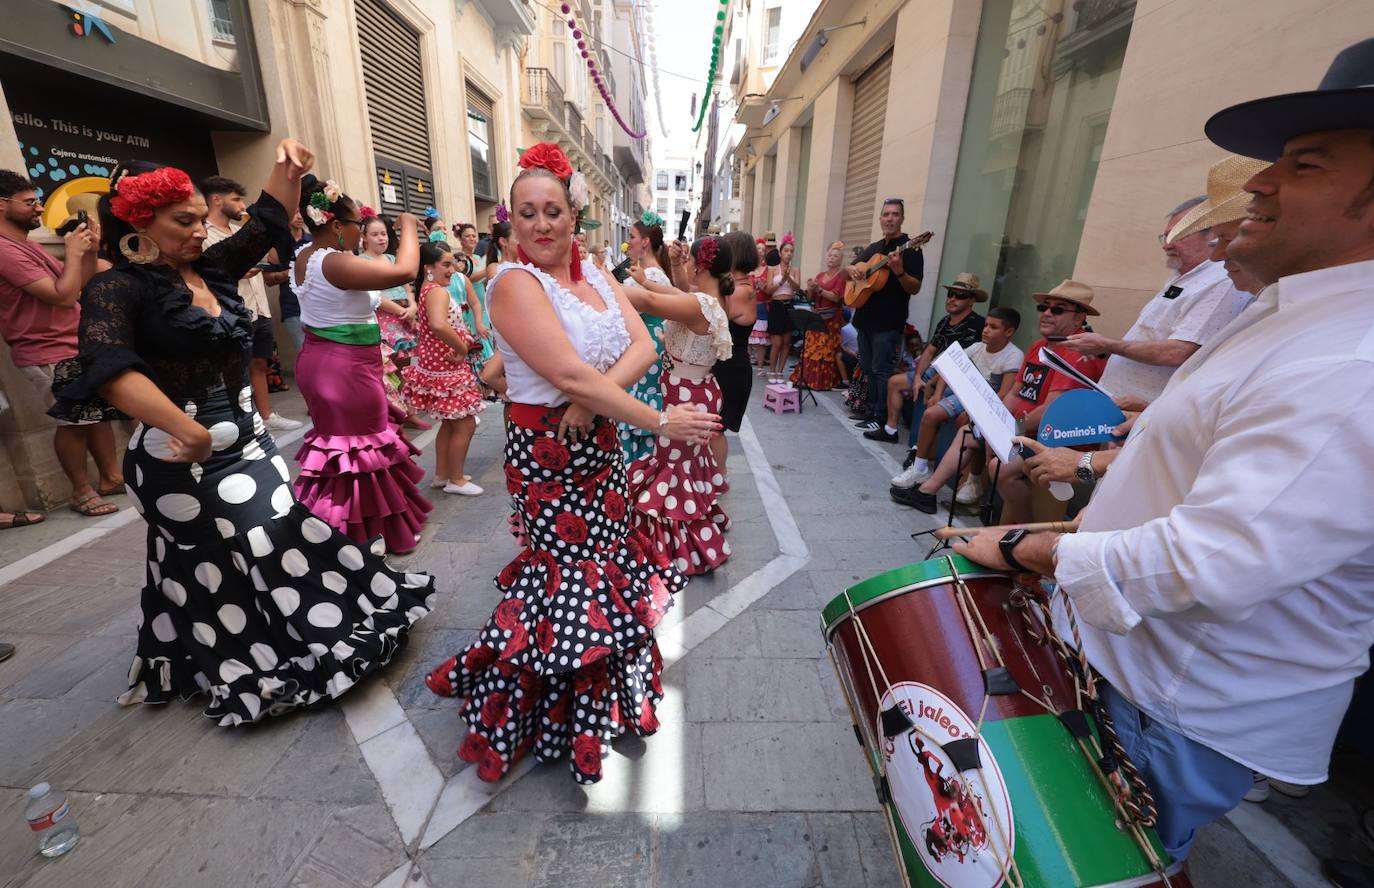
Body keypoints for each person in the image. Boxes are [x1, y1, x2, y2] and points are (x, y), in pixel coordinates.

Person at [955, 38, 1374, 862]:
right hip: (1141, 674)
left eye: (1306, 164)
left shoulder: (1353, 359)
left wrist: (1019, 546)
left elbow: (1212, 561)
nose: (1256, 183)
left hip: (1173, 701)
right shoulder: (1301, 313)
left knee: (1068, 866)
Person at [49, 141, 433, 725]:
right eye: (186, 221)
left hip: (249, 443)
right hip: (178, 458)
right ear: (138, 220)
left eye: (203, 218)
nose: (202, 231)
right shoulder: (117, 289)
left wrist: (287, 170)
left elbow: (267, 221)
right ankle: (257, 663)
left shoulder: (214, 267)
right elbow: (111, 370)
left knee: (277, 542)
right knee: (223, 564)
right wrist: (188, 430)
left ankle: (294, 639)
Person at [423, 142, 718, 784]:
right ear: (512, 222)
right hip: (547, 456)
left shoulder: (597, 275)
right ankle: (544, 710)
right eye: (526, 213)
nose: (541, 225)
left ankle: (598, 692)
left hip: (599, 447)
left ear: (573, 214)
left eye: (552, 210)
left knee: (605, 570)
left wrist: (593, 398)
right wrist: (659, 419)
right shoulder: (513, 284)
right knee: (565, 579)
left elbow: (644, 348)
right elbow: (561, 371)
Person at [289, 176, 431, 553]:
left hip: (327, 363)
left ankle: (352, 529)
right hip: (344, 369)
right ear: (336, 226)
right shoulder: (333, 262)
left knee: (345, 450)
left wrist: (398, 308)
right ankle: (362, 535)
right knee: (360, 450)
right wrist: (410, 228)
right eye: (357, 225)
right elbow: (403, 272)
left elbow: (365, 301)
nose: (361, 232)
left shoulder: (307, 256)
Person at [895, 281, 1103, 515]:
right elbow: (1015, 393)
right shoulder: (1039, 347)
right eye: (1044, 307)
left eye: (1057, 309)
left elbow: (1050, 411)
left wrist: (1009, 430)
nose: (1046, 313)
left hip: (1050, 438)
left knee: (999, 468)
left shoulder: (1078, 354)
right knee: (969, 430)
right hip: (1021, 430)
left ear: (1079, 317)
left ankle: (1023, 529)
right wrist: (993, 422)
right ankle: (928, 492)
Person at [0, 168, 123, 517]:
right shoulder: (5, 251)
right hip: (45, 350)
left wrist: (86, 253)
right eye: (29, 202)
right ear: (1, 205)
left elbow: (76, 284)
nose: (39, 208)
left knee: (95, 416)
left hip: (72, 342)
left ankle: (111, 478)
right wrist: (71, 251)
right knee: (74, 421)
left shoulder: (25, 246)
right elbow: (63, 296)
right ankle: (81, 491)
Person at [1060, 190, 1255, 409]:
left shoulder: (1221, 280)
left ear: (1212, 236)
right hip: (1120, 405)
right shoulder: (1183, 276)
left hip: (1144, 414)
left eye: (1177, 236)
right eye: (1166, 237)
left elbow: (1179, 352)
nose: (1166, 245)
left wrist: (1109, 345)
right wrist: (1105, 349)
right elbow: (1154, 335)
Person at [626, 236, 736, 576]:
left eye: (687, 259)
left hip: (687, 395)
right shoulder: (707, 300)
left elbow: (648, 301)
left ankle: (684, 546)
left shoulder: (700, 304)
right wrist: (645, 278)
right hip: (696, 389)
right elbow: (672, 293)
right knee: (686, 465)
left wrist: (595, 283)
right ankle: (696, 525)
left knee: (673, 467)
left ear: (699, 264)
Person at [202, 176, 303, 433]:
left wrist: (286, 228)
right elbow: (205, 275)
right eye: (236, 199)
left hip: (260, 307)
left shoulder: (240, 232)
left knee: (260, 363)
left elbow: (276, 258)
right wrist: (235, 269)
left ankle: (266, 415)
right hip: (231, 311)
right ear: (216, 200)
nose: (242, 204)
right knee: (235, 369)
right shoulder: (203, 234)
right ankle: (242, 419)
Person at [891, 306, 1022, 498]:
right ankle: (919, 468)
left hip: (988, 404)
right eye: (986, 325)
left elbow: (1003, 394)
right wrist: (938, 393)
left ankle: (973, 481)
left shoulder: (1013, 356)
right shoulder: (977, 347)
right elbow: (950, 366)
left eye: (993, 327)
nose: (985, 330)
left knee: (969, 424)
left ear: (1009, 332)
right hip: (967, 395)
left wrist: (979, 411)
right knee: (930, 414)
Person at [404, 241, 486, 495]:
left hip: (438, 367)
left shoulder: (429, 289)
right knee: (465, 423)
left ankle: (443, 474)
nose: (453, 269)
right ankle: (456, 480)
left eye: (454, 263)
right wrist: (461, 348)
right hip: (447, 368)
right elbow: (439, 325)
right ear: (429, 267)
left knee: (450, 424)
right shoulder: (437, 291)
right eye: (446, 264)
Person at [865, 272, 986, 444]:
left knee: (927, 395)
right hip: (936, 371)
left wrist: (929, 381)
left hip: (957, 379)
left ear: (972, 300)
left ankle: (918, 449)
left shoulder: (977, 324)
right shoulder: (945, 321)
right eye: (950, 294)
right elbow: (929, 351)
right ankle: (890, 431)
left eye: (960, 296)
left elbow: (962, 363)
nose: (952, 299)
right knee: (894, 382)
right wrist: (917, 377)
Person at [846, 200, 924, 425]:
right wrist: (851, 269)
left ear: (902, 218)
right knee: (868, 368)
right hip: (865, 320)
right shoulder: (875, 247)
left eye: (895, 214)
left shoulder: (911, 248)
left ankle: (881, 417)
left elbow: (915, 287)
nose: (890, 218)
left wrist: (899, 271)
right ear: (880, 218)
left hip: (888, 322)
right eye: (886, 214)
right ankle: (870, 411)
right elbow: (848, 271)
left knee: (882, 371)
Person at [620, 210, 675, 463]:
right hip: (648, 338)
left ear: (645, 242)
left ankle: (639, 465)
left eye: (631, 236)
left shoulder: (651, 275)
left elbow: (626, 308)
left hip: (647, 341)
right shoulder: (648, 272)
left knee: (640, 398)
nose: (628, 240)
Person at [710, 229, 761, 475]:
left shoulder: (740, 291)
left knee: (715, 429)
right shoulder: (737, 286)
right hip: (727, 365)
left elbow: (711, 318)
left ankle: (719, 477)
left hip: (730, 369)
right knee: (713, 428)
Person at [791, 241, 847, 391]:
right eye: (830, 255)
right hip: (816, 316)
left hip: (832, 319)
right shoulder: (820, 275)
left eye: (835, 256)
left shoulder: (841, 276)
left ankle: (822, 381)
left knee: (826, 348)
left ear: (841, 259)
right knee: (811, 346)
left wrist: (820, 290)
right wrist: (810, 288)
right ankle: (807, 378)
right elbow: (810, 297)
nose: (831, 258)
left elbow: (836, 298)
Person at [760, 233, 799, 383]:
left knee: (786, 343)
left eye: (791, 251)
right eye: (786, 251)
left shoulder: (795, 270)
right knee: (776, 343)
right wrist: (782, 280)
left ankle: (780, 371)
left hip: (789, 305)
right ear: (780, 253)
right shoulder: (772, 269)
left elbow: (797, 288)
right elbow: (769, 290)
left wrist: (789, 277)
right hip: (776, 305)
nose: (788, 254)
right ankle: (772, 371)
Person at [747, 236, 770, 368]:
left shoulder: (768, 270)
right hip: (749, 305)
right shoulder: (749, 268)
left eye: (763, 249)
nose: (760, 251)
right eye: (758, 249)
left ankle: (760, 366)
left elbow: (770, 290)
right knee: (748, 338)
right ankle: (748, 362)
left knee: (761, 340)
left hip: (761, 306)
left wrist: (763, 287)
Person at [837, 314, 858, 385]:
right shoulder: (851, 326)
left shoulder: (844, 329)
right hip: (859, 356)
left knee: (838, 355)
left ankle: (845, 381)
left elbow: (842, 346)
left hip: (855, 358)